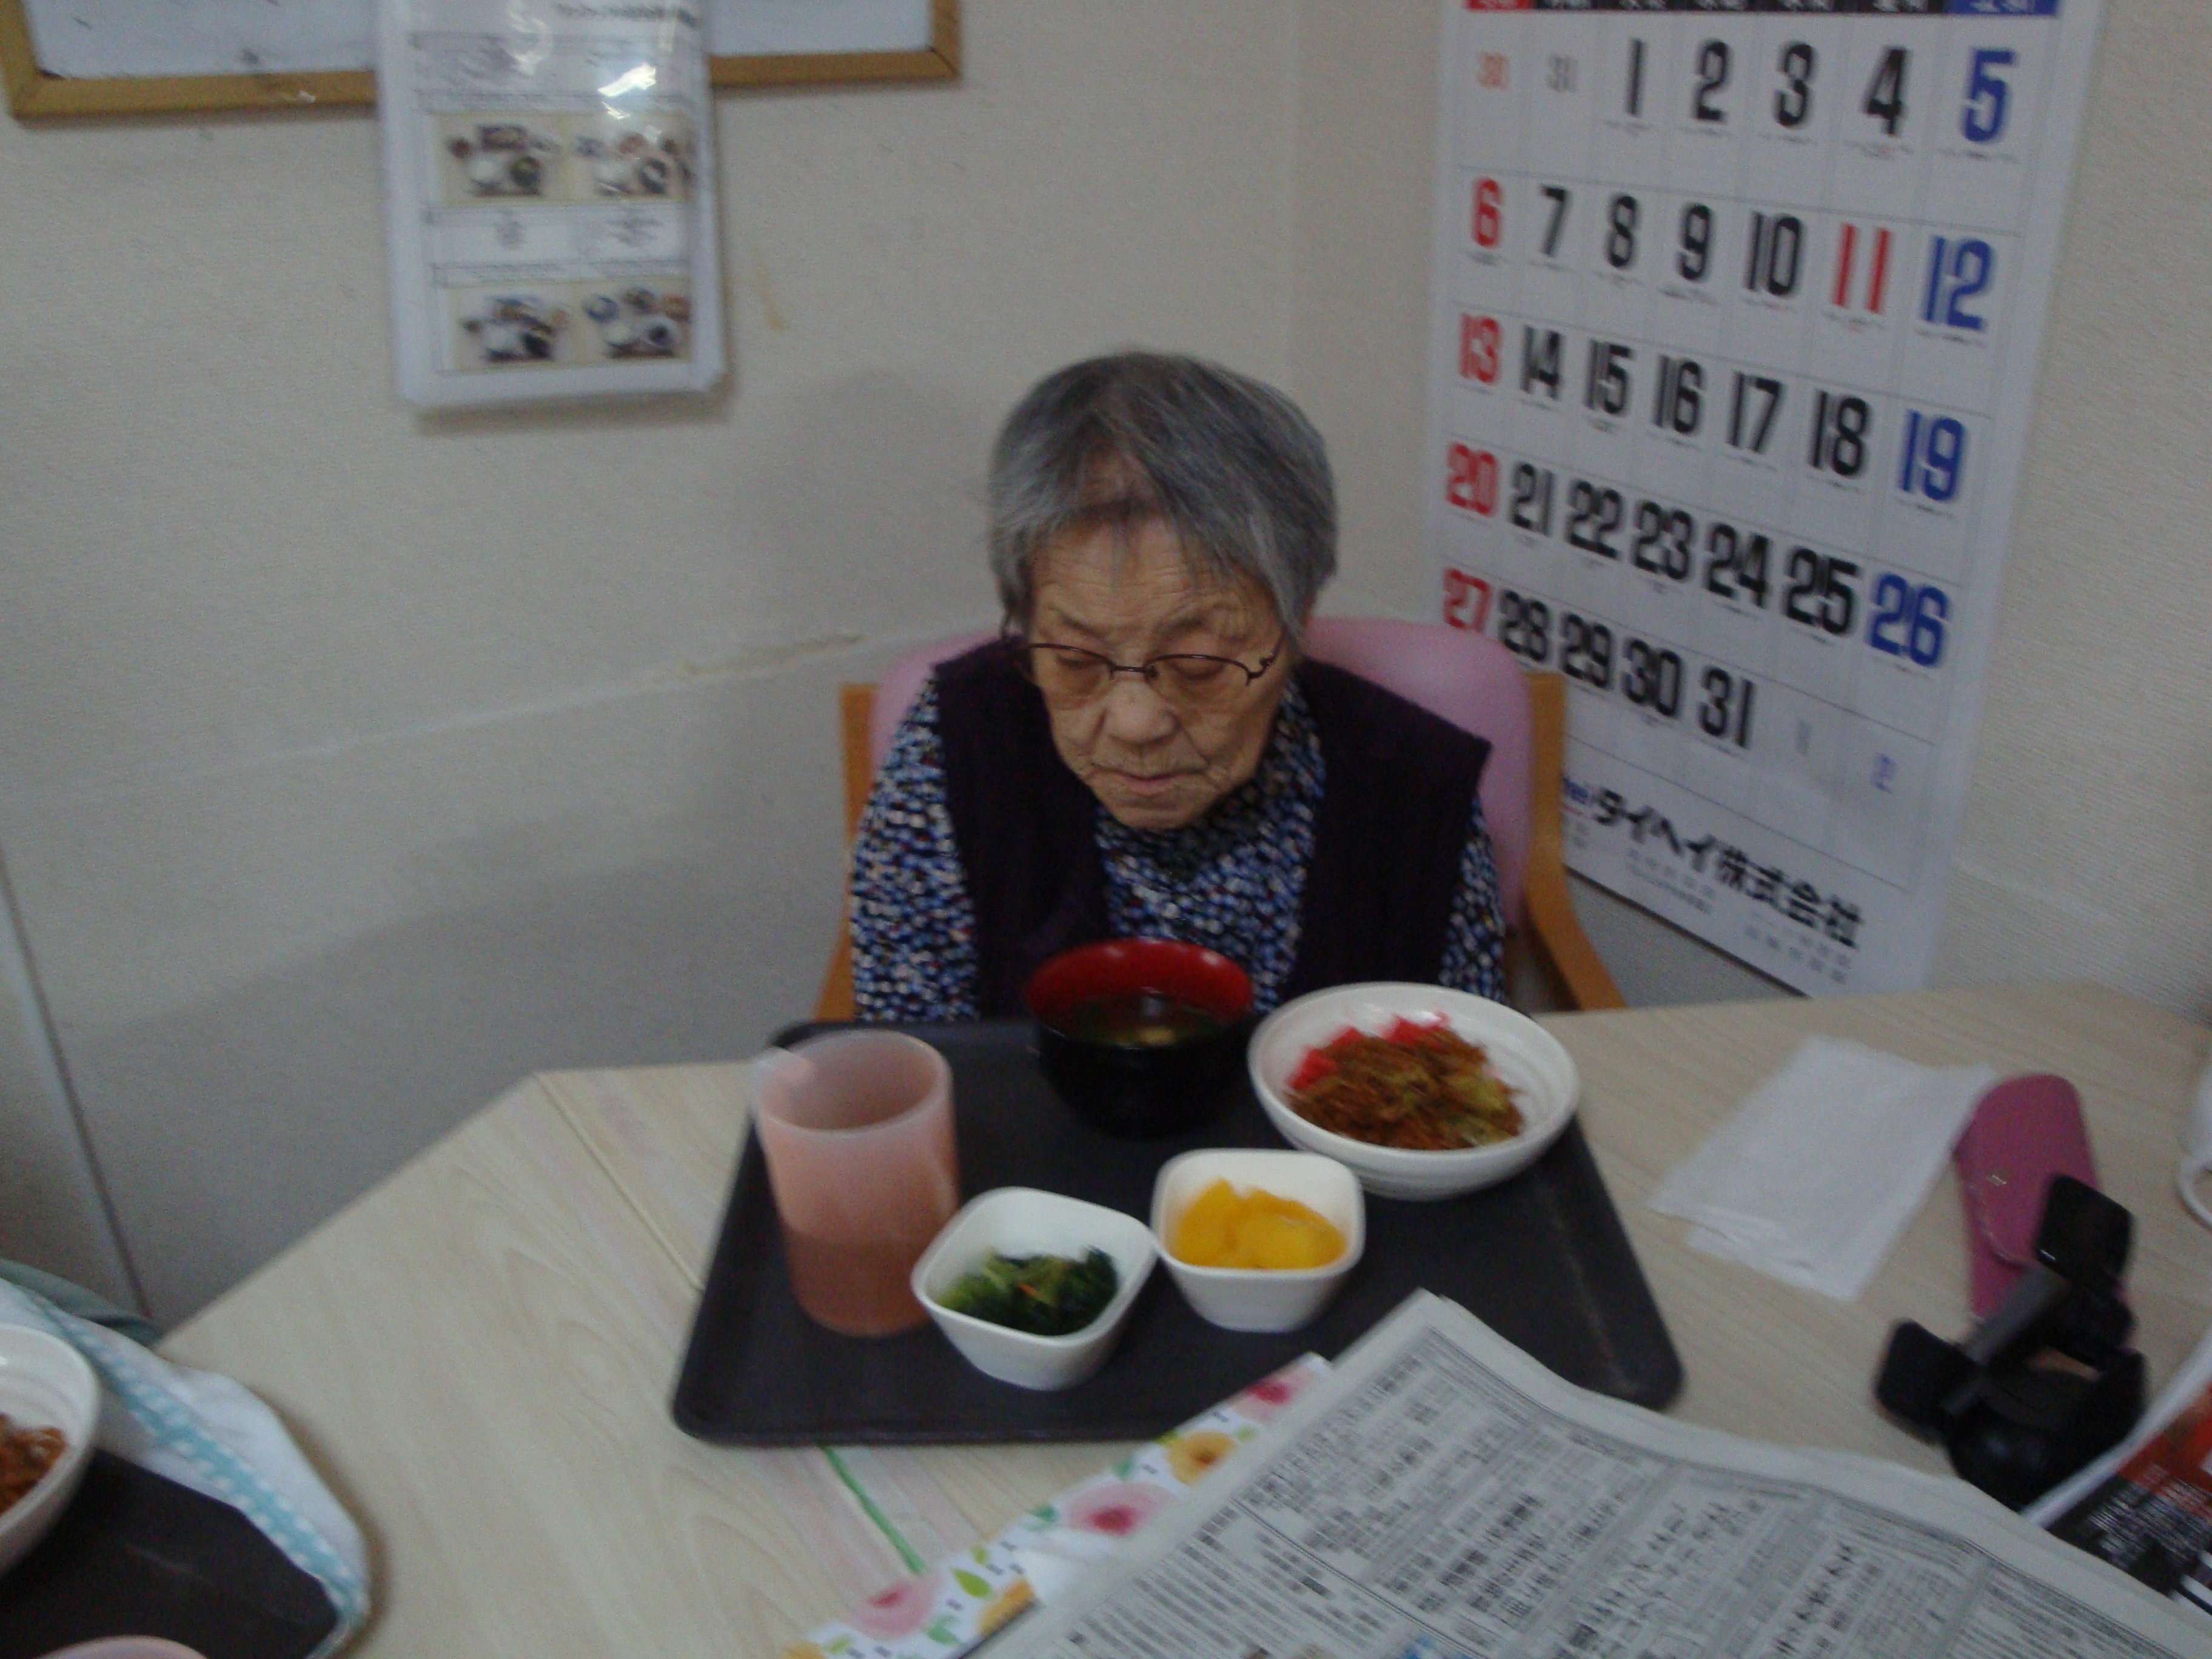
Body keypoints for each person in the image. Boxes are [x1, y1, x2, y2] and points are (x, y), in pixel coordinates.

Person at [850, 352, 1505, 1021]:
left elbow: (1467, 1060)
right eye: (1075, 659)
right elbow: (912, 1052)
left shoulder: (1415, 791)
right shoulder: (958, 746)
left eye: (1199, 665)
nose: (1134, 723)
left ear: (1297, 622)